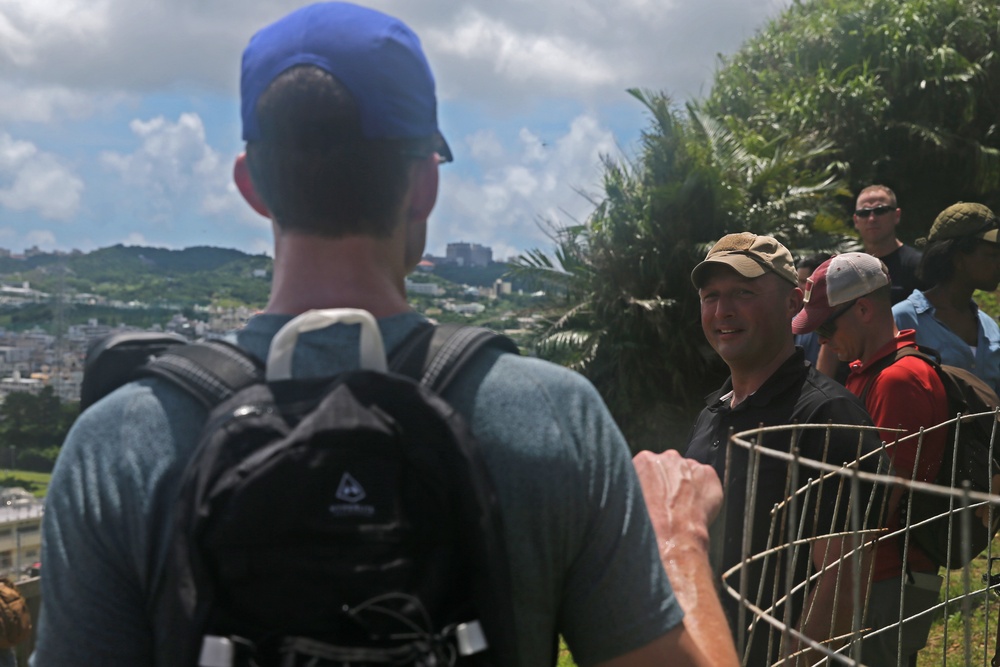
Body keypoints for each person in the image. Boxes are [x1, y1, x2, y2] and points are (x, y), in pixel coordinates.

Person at [31, 4, 737, 666]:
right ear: (424, 184)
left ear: (253, 187)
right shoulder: (557, 420)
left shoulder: (117, 445)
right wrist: (680, 542)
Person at [685, 232, 886, 666]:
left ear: (794, 302)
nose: (723, 310)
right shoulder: (712, 415)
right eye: (711, 296)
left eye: (744, 292)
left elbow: (843, 584)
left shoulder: (828, 416)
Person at [792, 252, 948, 666]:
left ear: (863, 309)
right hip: (866, 574)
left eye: (825, 327)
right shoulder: (868, 371)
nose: (821, 340)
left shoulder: (899, 379)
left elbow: (883, 497)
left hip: (884, 577)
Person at [893, 202, 1000, 394]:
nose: (998, 264)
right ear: (958, 260)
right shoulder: (904, 320)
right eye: (991, 256)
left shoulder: (990, 328)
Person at [853, 185, 927, 305]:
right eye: (864, 213)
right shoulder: (850, 270)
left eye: (880, 210)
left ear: (897, 215)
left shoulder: (918, 266)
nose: (872, 218)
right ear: (856, 220)